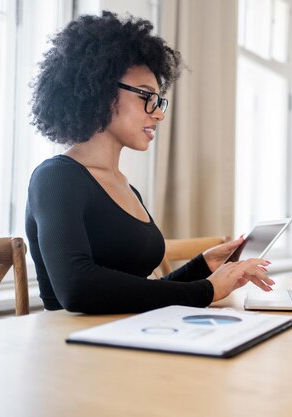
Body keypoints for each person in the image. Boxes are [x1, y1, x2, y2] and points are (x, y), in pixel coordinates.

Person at [25, 11, 274, 314]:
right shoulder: (56, 178)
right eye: (146, 96)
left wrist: (201, 266)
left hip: (127, 336)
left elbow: (133, 293)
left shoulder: (124, 186)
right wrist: (207, 290)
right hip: (72, 350)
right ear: (100, 89)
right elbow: (78, 288)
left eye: (159, 100)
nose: (159, 114)